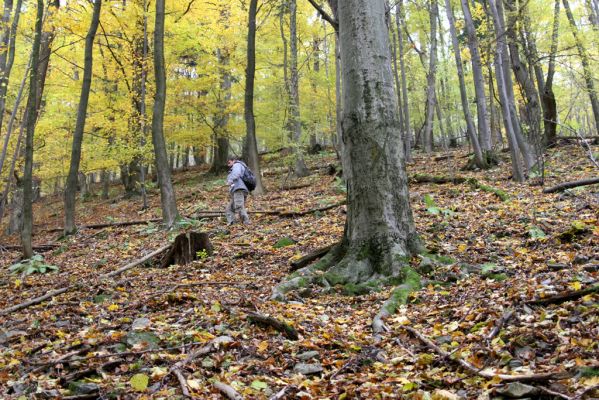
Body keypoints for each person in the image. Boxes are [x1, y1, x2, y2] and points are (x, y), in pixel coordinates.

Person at [225, 157, 250, 225]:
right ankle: (232, 223)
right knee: (229, 208)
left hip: (239, 189)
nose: (228, 165)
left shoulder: (237, 165)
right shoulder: (235, 166)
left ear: (233, 161)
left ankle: (246, 222)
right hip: (236, 190)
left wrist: (230, 181)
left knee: (239, 206)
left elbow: (236, 174)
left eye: (229, 162)